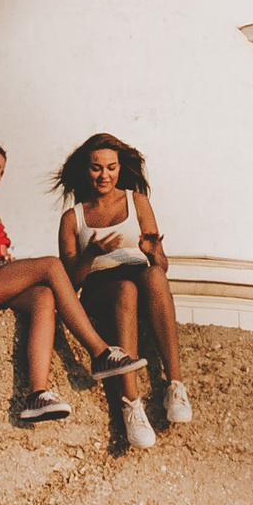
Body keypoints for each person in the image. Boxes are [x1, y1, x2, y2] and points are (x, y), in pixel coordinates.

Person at [0, 140, 146, 424]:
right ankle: (100, 352)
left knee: (43, 296)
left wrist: (5, 264)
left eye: (2, 173)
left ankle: (37, 394)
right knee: (50, 265)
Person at [54, 133, 191, 449]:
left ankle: (175, 385)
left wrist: (152, 250)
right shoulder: (72, 218)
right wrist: (91, 252)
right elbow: (70, 282)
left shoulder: (137, 201)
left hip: (139, 275)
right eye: (96, 168)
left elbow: (163, 264)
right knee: (125, 289)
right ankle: (131, 404)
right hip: (100, 288)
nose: (104, 175)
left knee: (154, 275)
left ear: (120, 168)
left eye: (111, 168)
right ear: (85, 170)